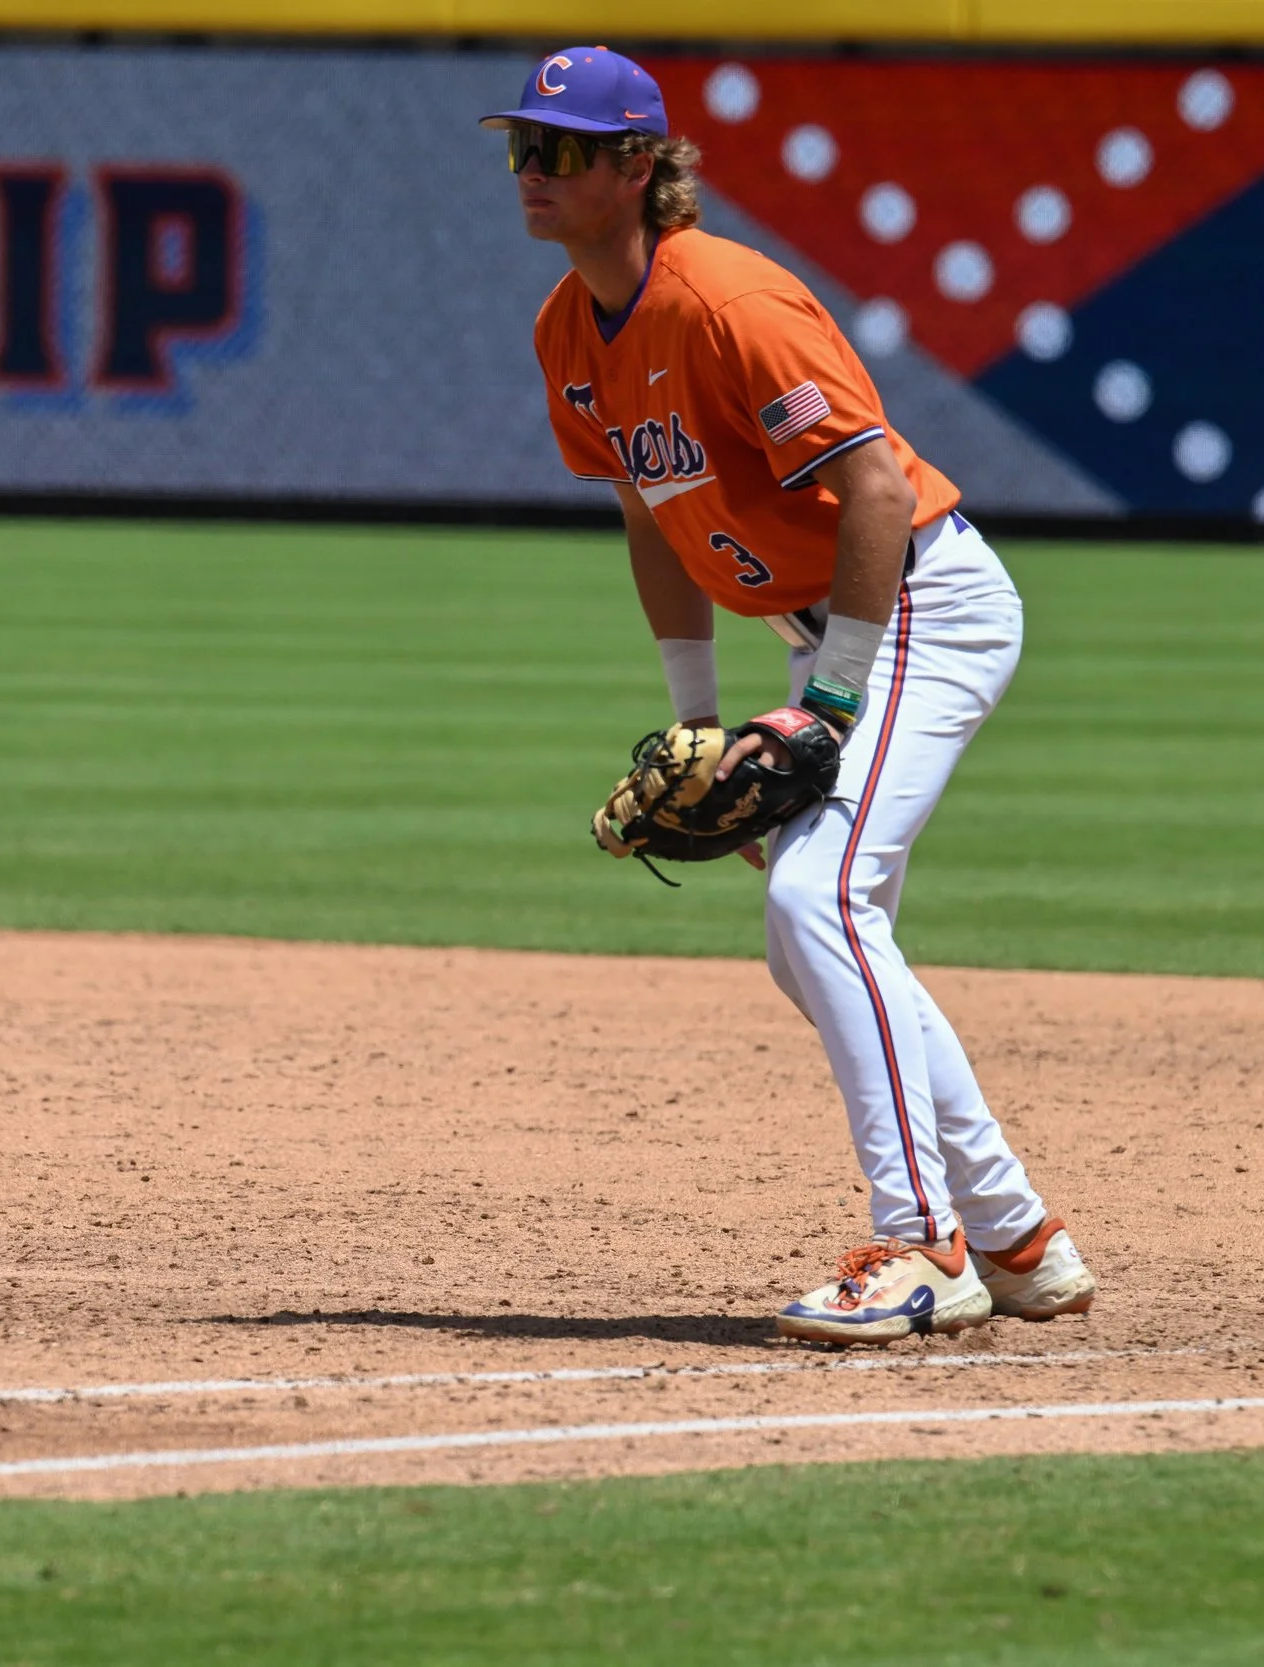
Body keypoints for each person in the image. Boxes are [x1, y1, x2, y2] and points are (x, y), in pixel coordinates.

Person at [484, 52, 1094, 1342]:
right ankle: (1015, 1236)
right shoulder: (564, 333)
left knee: (818, 896)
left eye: (561, 149)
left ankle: (924, 1244)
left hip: (918, 606)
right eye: (521, 147)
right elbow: (652, 516)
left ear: (637, 166)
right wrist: (698, 717)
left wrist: (826, 706)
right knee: (808, 930)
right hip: (827, 624)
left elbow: (873, 489)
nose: (532, 171)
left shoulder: (731, 300)